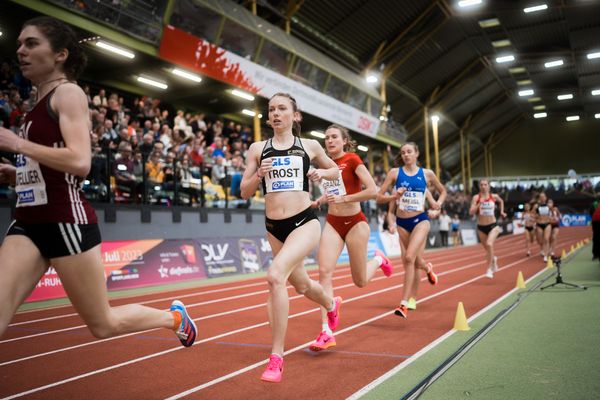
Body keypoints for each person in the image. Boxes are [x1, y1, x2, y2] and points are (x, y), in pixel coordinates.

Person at [0, 17, 197, 347]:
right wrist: (18, 172)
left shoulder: (69, 94)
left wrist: (17, 144)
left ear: (60, 54)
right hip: (28, 221)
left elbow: (80, 162)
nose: (20, 50)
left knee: (103, 324)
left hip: (66, 222)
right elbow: (52, 167)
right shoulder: (37, 103)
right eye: (19, 43)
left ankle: (173, 318)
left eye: (31, 43)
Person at [240, 92, 342, 383]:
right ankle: (331, 304)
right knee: (302, 284)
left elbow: (336, 171)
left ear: (294, 115)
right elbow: (244, 192)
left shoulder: (308, 145)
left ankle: (276, 358)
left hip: (304, 222)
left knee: (275, 277)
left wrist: (321, 173)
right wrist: (258, 174)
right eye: (271, 109)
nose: (275, 113)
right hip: (274, 226)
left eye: (282, 108)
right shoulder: (258, 148)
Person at [309, 124, 392, 352]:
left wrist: (345, 200)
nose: (330, 141)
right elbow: (332, 192)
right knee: (324, 271)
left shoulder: (353, 159)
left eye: (334, 137)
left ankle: (379, 260)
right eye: (326, 138)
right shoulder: (325, 164)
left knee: (361, 281)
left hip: (356, 222)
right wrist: (320, 201)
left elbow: (373, 190)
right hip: (333, 223)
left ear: (344, 141)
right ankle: (326, 331)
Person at [376, 142, 446, 318]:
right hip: (402, 223)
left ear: (416, 154)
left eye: (409, 152)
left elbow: (442, 191)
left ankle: (404, 303)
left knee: (409, 258)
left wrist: (438, 205)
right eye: (403, 153)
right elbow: (379, 197)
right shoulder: (394, 173)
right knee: (414, 261)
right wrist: (394, 197)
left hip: (421, 221)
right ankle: (428, 269)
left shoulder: (426, 174)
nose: (406, 155)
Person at [468, 179, 506, 278]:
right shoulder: (476, 197)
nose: (483, 186)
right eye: (481, 185)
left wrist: (502, 211)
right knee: (488, 250)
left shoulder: (494, 196)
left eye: (485, 184)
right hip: (481, 227)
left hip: (493, 225)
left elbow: (501, 201)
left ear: (489, 186)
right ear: (479, 187)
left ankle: (489, 269)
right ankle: (493, 259)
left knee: (489, 244)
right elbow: (471, 212)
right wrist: (478, 204)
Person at [533, 192, 552, 262]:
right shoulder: (536, 206)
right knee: (540, 240)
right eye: (541, 197)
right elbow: (532, 214)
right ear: (539, 198)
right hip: (539, 224)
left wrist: (552, 217)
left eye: (543, 196)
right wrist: (536, 216)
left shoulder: (549, 205)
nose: (542, 198)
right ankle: (542, 249)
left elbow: (553, 213)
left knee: (546, 239)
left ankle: (546, 256)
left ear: (546, 198)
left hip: (547, 224)